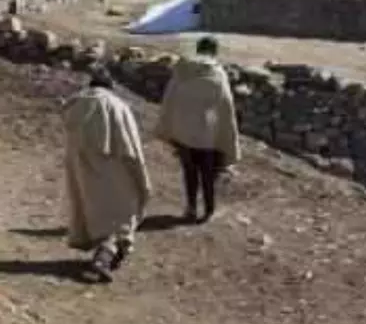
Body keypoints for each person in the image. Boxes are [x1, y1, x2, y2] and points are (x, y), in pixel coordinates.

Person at [62, 67, 151, 282]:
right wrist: (141, 177)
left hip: (81, 168)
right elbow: (131, 146)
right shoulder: (116, 106)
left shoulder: (75, 105)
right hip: (114, 168)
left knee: (96, 211)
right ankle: (102, 260)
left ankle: (107, 253)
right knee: (121, 213)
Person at [155, 36, 240, 223]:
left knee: (190, 172)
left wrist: (172, 128)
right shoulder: (217, 73)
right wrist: (225, 135)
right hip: (208, 135)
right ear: (214, 51)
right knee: (208, 174)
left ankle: (191, 208)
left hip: (184, 134)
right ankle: (209, 210)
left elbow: (170, 100)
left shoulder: (182, 70)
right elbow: (226, 106)